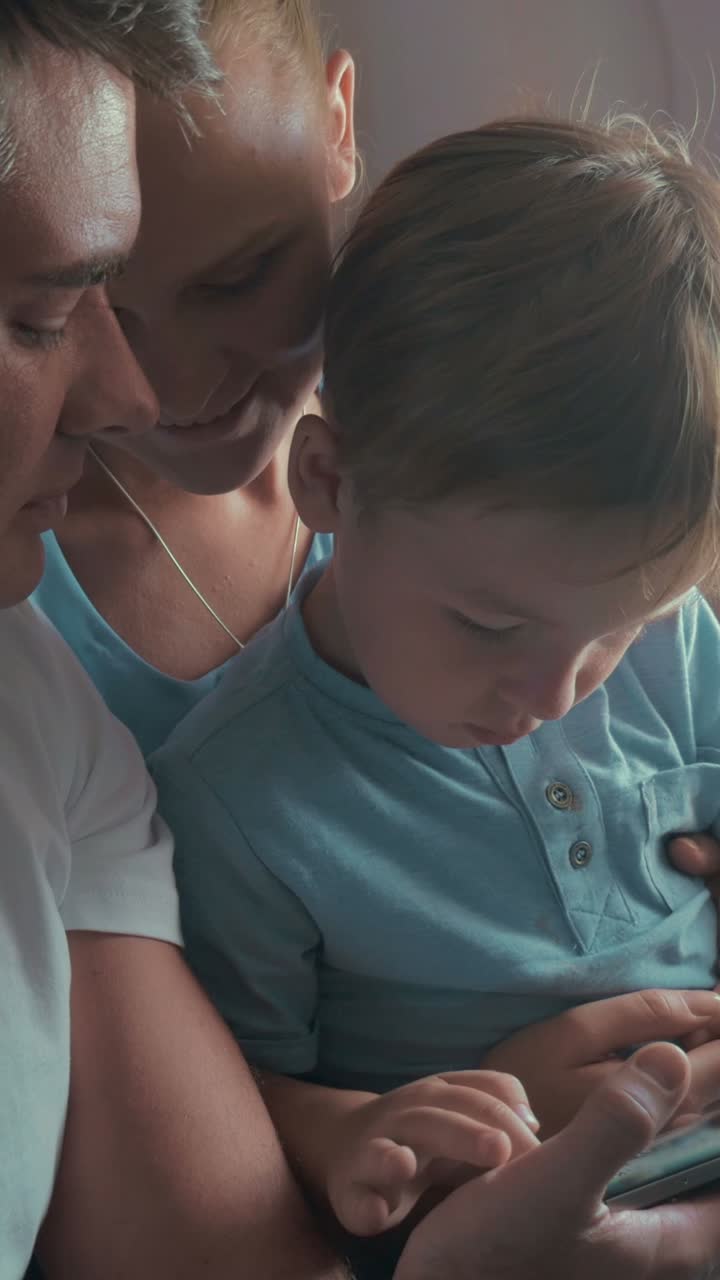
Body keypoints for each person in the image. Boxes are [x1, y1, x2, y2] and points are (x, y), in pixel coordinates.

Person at [150, 115, 720, 1245]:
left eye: (614, 631)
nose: (558, 692)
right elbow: (230, 1102)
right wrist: (354, 1130)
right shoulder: (236, 800)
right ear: (328, 482)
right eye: (491, 624)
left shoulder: (677, 640)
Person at [0, 4, 351, 1277]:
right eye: (53, 314)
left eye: (241, 274)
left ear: (343, 128)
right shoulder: (43, 628)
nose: (155, 389)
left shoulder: (43, 723)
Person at [31, 0, 356, 757]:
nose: (173, 392)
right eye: (90, 311)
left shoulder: (453, 416)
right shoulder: (25, 586)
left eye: (237, 280)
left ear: (337, 129)